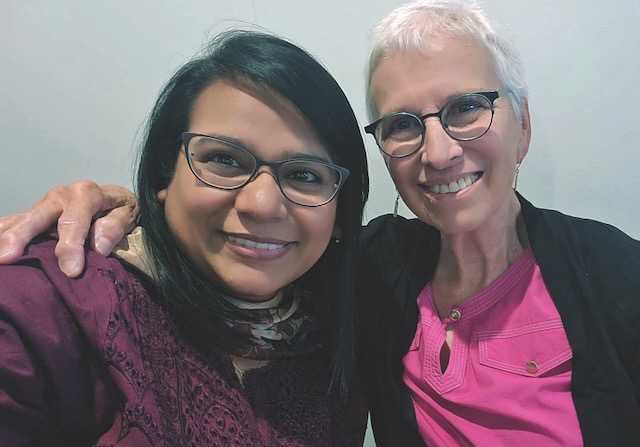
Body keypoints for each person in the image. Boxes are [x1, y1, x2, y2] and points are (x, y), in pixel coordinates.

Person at [2, 1, 639, 446]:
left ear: (522, 124)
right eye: (402, 125)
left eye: (469, 108)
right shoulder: (369, 268)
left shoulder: (617, 278)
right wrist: (123, 207)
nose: (440, 151)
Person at [0, 29, 370, 446]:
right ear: (164, 173)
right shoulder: (52, 301)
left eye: (305, 175)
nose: (262, 204)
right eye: (224, 160)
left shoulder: (344, 325)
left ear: (341, 211)